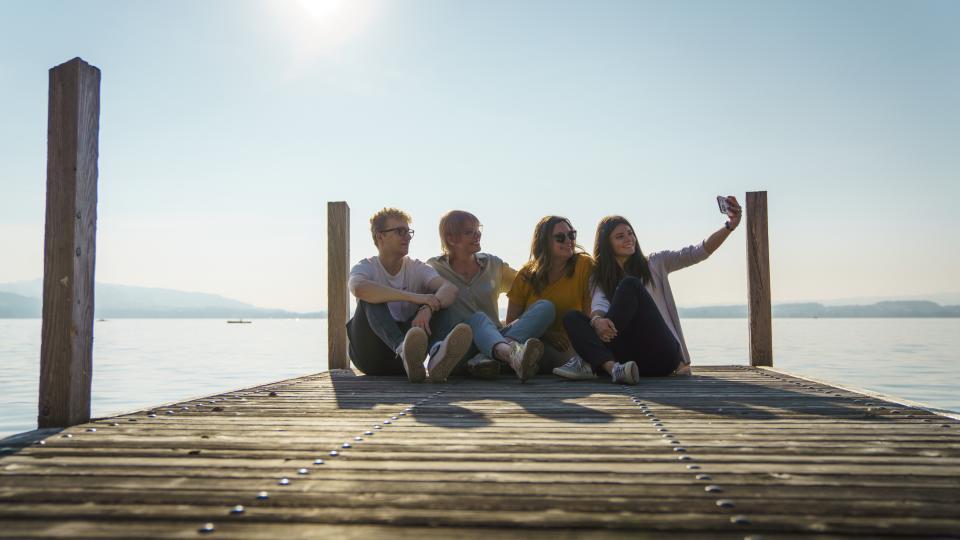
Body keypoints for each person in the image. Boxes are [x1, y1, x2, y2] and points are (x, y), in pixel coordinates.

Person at [558, 196, 743, 384]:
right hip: (630, 363)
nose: (629, 239)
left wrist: (729, 226)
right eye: (620, 236)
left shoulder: (655, 263)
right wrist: (597, 320)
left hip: (662, 356)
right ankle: (613, 369)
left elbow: (698, 251)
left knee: (630, 285)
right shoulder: (599, 276)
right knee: (572, 317)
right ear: (607, 244)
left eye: (630, 233)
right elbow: (599, 304)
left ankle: (589, 362)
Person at [347, 207, 473, 383]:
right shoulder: (366, 267)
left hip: (405, 364)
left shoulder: (416, 268)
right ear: (380, 236)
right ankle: (402, 349)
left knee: (438, 299)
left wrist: (428, 307)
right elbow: (359, 288)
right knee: (370, 299)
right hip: (369, 357)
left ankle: (437, 355)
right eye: (400, 231)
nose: (407, 236)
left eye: (408, 232)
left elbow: (449, 288)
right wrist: (416, 298)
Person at [427, 211, 553, 382]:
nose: (477, 235)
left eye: (478, 230)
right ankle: (509, 355)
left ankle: (494, 355)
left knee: (545, 307)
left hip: (496, 336)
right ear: (451, 238)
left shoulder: (493, 265)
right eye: (469, 232)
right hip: (458, 347)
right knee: (478, 319)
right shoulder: (434, 269)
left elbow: (528, 287)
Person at [507, 216, 595, 372]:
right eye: (560, 237)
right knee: (544, 310)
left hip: (567, 346)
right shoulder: (526, 275)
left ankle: (504, 360)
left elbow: (588, 316)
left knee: (571, 359)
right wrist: (546, 334)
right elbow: (513, 322)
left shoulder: (584, 265)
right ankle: (507, 358)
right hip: (530, 341)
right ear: (544, 242)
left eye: (571, 235)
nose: (569, 241)